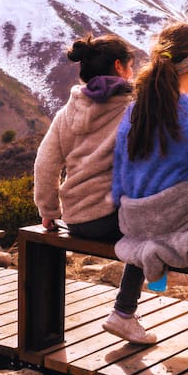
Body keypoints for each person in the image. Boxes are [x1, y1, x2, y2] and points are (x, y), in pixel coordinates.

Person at [108, 22, 188, 345]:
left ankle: (123, 311)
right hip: (173, 218)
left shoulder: (134, 110)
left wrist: (124, 207)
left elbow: (121, 170)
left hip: (134, 215)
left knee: (152, 235)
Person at [33, 33, 134, 240]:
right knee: (157, 231)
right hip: (112, 219)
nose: (132, 73)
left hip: (75, 219)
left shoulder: (65, 114)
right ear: (119, 66)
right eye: (130, 66)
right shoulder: (131, 111)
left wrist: (49, 213)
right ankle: (151, 275)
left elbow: (45, 164)